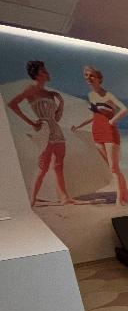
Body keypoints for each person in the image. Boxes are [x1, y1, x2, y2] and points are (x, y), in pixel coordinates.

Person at [7, 60, 75, 206]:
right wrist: (32, 123)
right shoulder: (30, 89)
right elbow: (12, 104)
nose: (47, 73)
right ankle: (32, 198)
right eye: (44, 71)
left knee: (59, 165)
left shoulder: (50, 94)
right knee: (43, 167)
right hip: (44, 130)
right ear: (37, 75)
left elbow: (56, 118)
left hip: (56, 130)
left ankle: (65, 197)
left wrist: (61, 103)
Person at [71, 66, 128, 205]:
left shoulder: (108, 95)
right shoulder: (91, 95)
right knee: (112, 168)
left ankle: (119, 200)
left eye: (91, 75)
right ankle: (126, 195)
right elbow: (94, 115)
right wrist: (79, 125)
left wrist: (112, 121)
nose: (88, 78)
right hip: (96, 132)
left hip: (109, 132)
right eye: (86, 75)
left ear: (99, 78)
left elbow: (124, 109)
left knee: (114, 168)